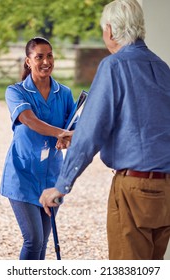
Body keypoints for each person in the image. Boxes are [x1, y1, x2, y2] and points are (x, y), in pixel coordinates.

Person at [40, 0, 170, 260]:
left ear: (109, 30)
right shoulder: (162, 68)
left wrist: (61, 186)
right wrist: (77, 135)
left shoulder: (114, 66)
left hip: (134, 189)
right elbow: (144, 125)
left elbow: (91, 132)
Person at [0, 37, 75, 260]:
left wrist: (69, 137)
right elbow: (28, 119)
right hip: (22, 176)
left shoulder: (64, 93)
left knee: (42, 242)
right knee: (33, 240)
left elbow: (76, 128)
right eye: (39, 56)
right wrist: (60, 133)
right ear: (28, 61)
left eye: (49, 55)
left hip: (52, 179)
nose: (45, 61)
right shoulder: (16, 92)